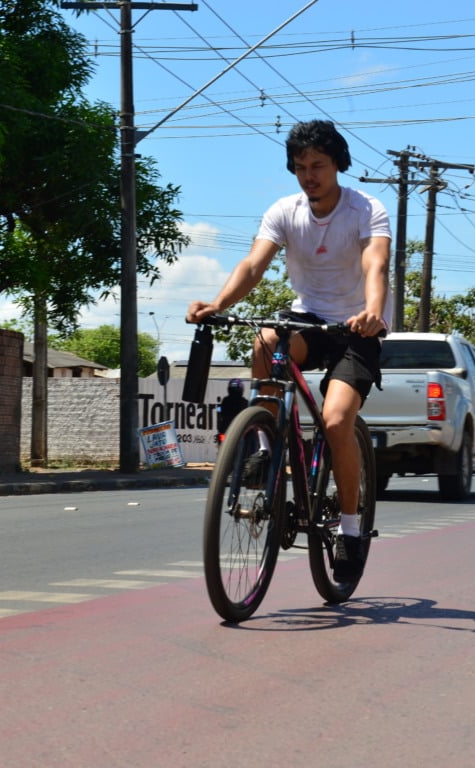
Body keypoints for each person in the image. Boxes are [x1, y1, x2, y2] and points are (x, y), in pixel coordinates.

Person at [186, 120, 392, 582]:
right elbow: (254, 264)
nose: (309, 175)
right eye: (300, 167)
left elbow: (375, 262)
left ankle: (352, 530)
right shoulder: (284, 210)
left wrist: (373, 311)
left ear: (337, 162)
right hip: (310, 320)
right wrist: (217, 304)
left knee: (337, 420)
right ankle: (265, 441)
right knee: (267, 339)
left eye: (318, 165)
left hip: (358, 326)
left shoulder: (367, 209)